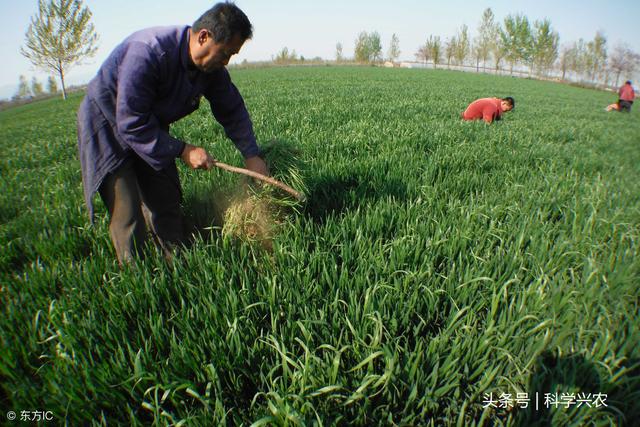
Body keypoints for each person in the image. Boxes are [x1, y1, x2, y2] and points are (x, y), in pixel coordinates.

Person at [77, 2, 268, 264]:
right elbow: (130, 121)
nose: (226, 62)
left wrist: (251, 155)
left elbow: (232, 109)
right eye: (225, 53)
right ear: (204, 37)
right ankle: (139, 278)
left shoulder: (211, 70)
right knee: (127, 207)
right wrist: (182, 150)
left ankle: (174, 259)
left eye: (231, 56)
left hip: (148, 125)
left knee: (165, 195)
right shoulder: (148, 52)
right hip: (109, 125)